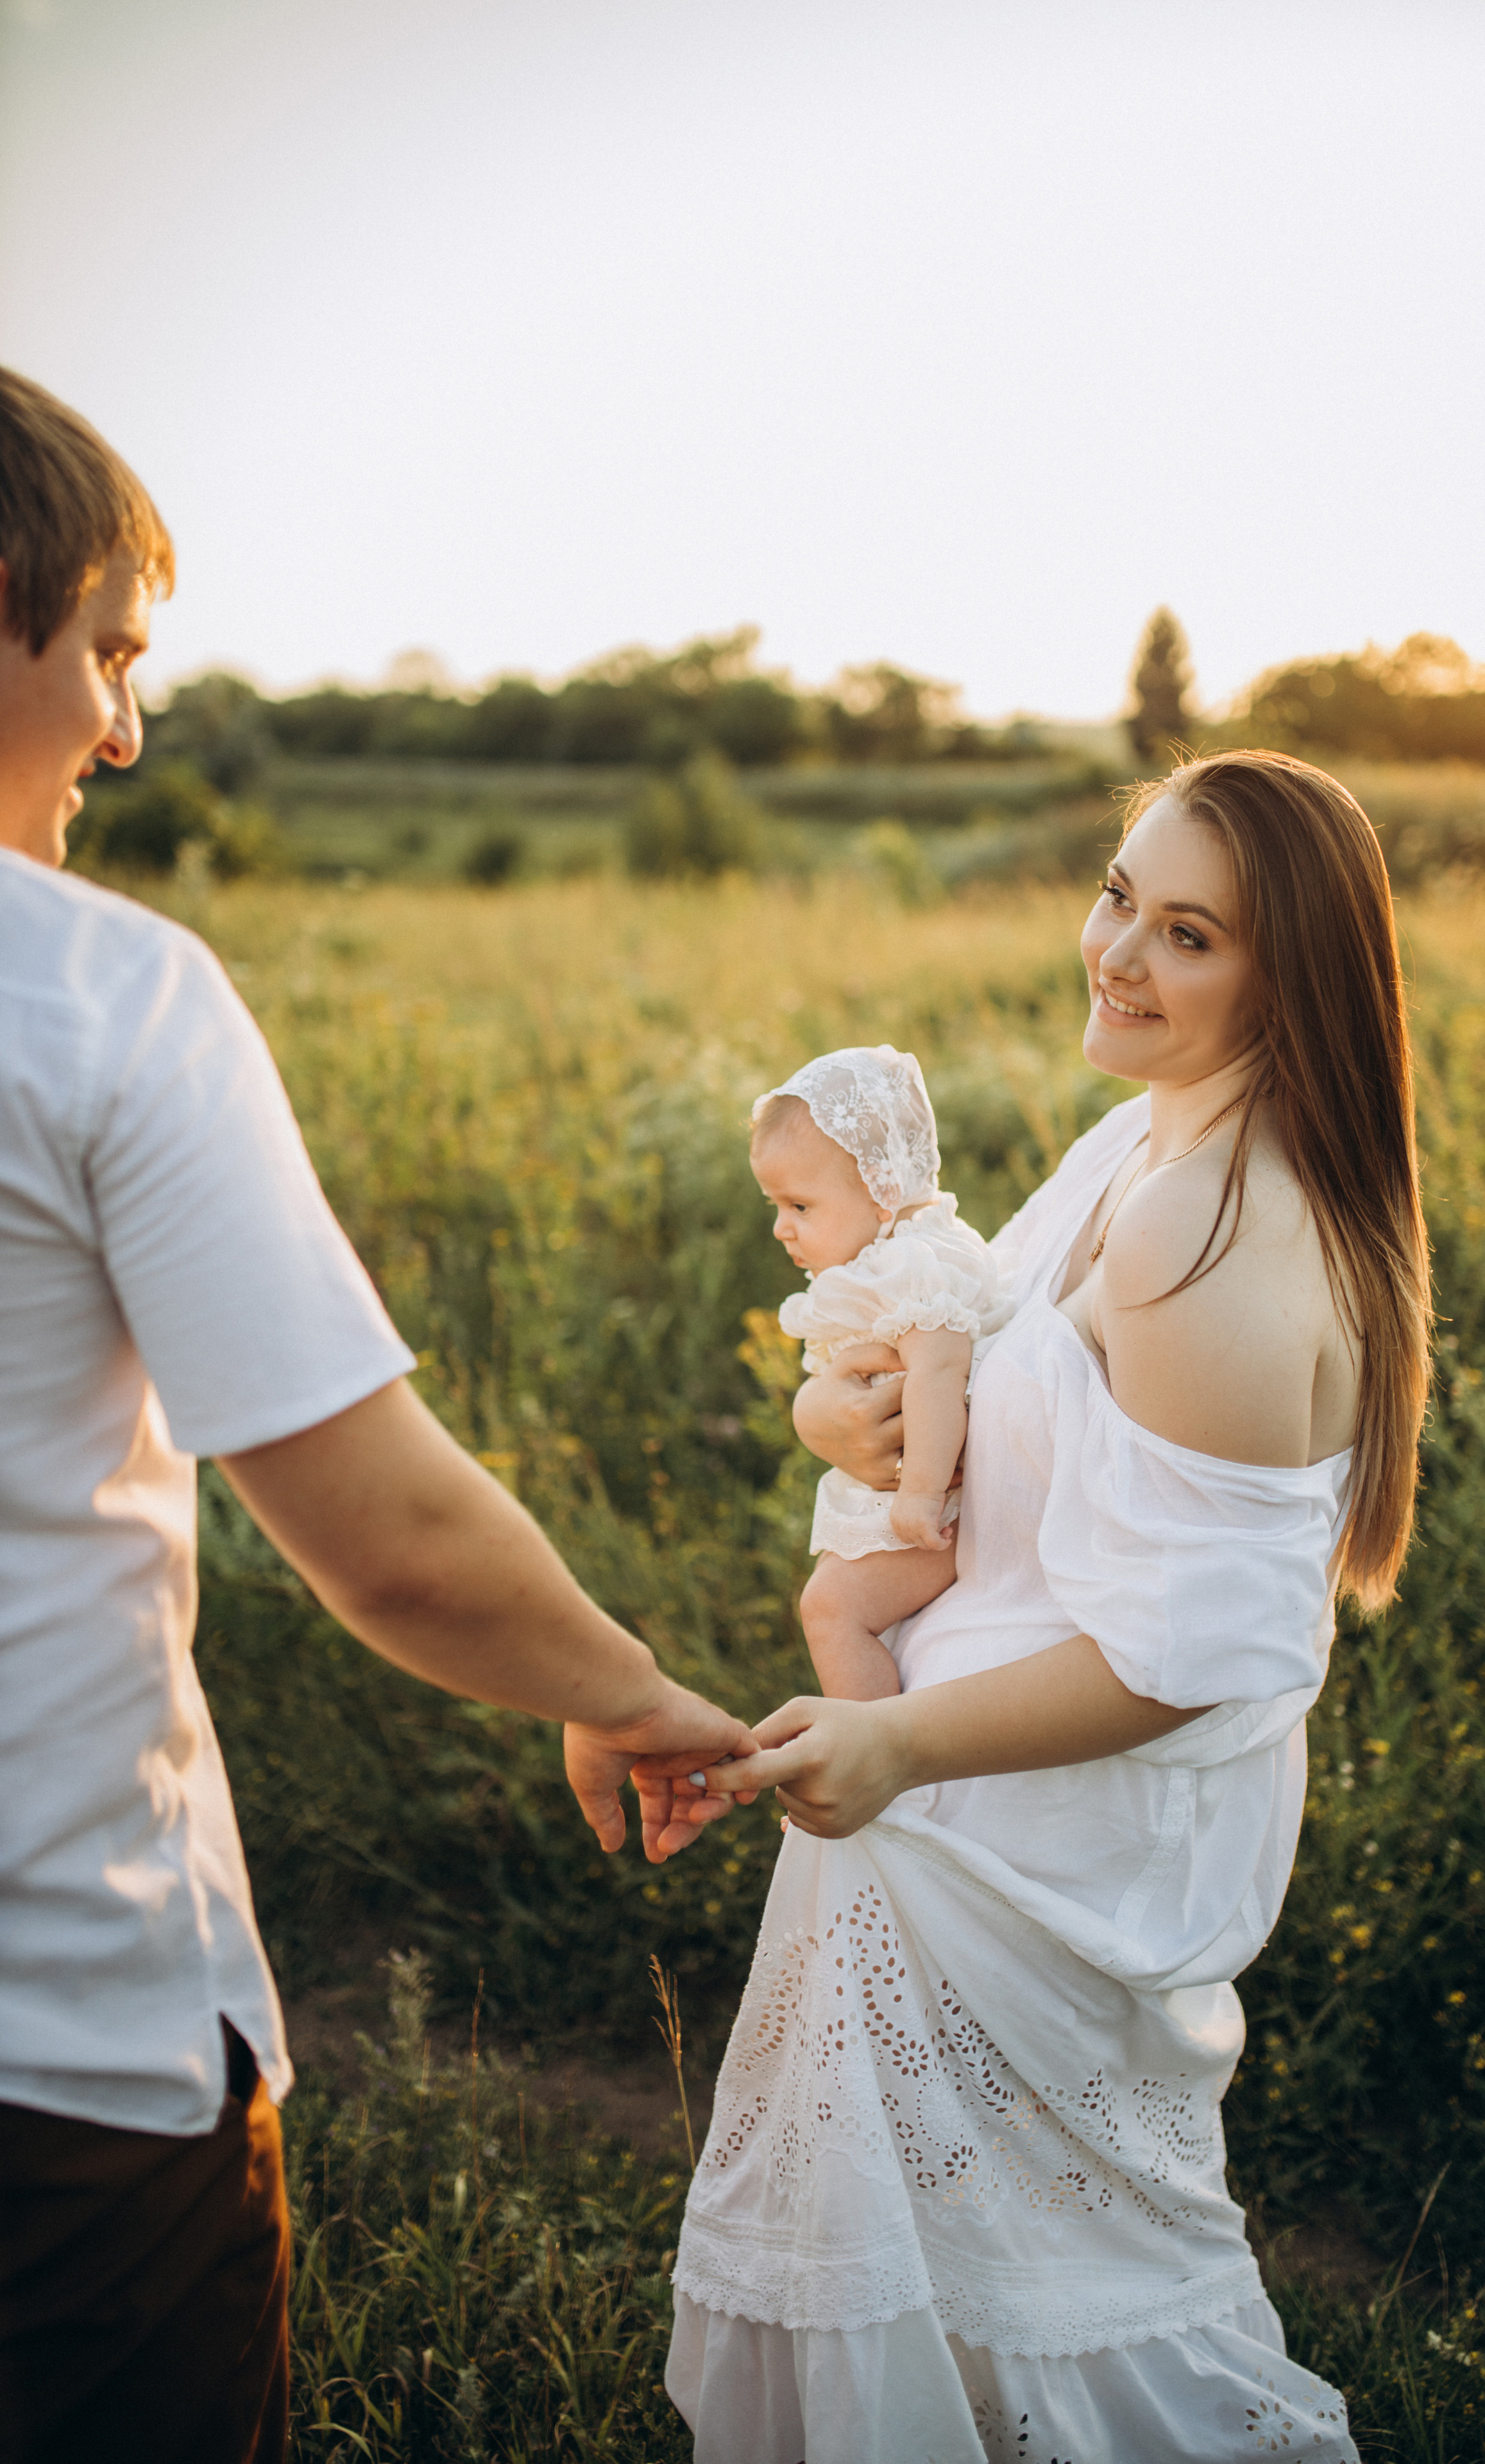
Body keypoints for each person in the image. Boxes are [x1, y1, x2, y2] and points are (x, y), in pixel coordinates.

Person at [0, 365, 749, 2464]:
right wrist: (620, 1688)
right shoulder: (100, 999)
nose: (127, 732)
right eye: (105, 654)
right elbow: (389, 1539)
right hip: (57, 2062)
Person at [649, 752, 1432, 2463]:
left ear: (1286, 976)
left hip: (1027, 1827)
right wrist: (827, 1414)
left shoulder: (1208, 1234)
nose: (1120, 953)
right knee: (957, 2264)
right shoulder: (1136, 1143)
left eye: (1190, 934)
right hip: (958, 1797)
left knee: (1061, 2278)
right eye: (1116, 895)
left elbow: (1201, 1657)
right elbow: (961, 1363)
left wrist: (902, 1740)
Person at [750, 1046, 1012, 1700]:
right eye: (773, 1206)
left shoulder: (913, 1269)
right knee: (853, 1613)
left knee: (832, 1610)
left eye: (800, 1207)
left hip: (944, 1503)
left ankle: (869, 1755)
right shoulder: (893, 1256)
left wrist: (919, 1494)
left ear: (883, 1191)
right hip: (915, 1493)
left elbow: (939, 1372)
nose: (782, 1228)